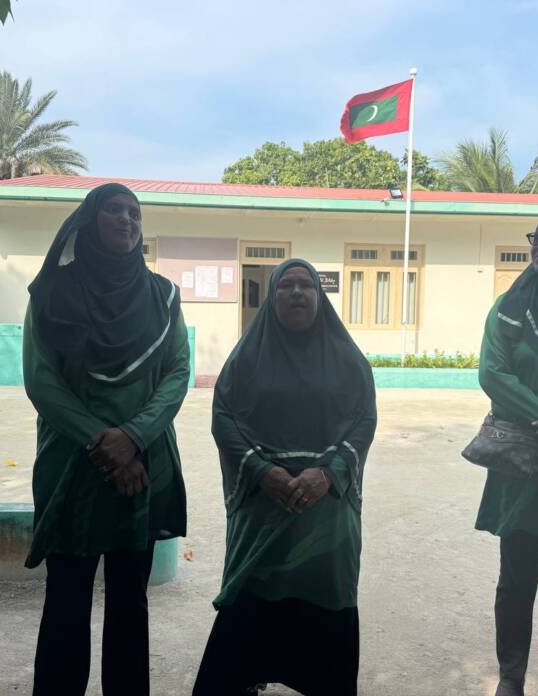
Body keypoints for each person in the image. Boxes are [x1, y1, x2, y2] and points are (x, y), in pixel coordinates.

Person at [23, 183, 190, 696]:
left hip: (143, 466)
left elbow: (177, 372)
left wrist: (134, 436)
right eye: (113, 210)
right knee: (67, 599)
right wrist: (105, 442)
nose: (126, 219)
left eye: (134, 213)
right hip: (74, 468)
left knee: (130, 603)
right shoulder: (52, 293)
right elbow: (41, 381)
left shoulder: (163, 296)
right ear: (88, 220)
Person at [193, 259, 376, 696]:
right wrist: (262, 471)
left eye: (306, 285)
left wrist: (328, 474)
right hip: (263, 509)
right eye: (286, 285)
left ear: (319, 296)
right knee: (248, 612)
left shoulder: (348, 360)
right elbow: (223, 418)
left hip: (325, 518)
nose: (297, 292)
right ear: (271, 296)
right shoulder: (246, 358)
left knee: (325, 608)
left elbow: (364, 421)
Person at [476, 209, 538, 696]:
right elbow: (493, 373)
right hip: (523, 460)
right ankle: (511, 678)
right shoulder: (509, 308)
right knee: (516, 576)